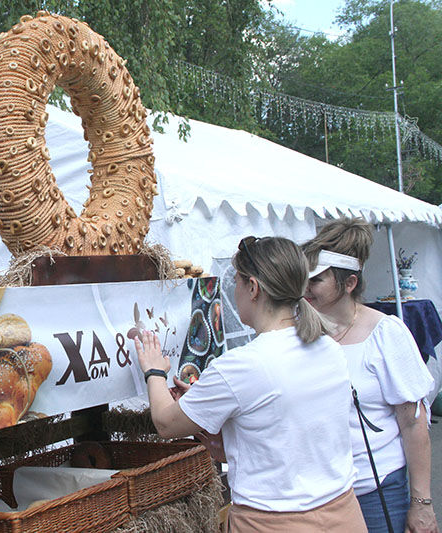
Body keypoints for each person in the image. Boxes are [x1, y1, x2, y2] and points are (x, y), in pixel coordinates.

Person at [135, 236, 366, 532]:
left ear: (253, 288)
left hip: (275, 523)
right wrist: (218, 418)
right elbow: (291, 430)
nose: (235, 293)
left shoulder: (243, 365)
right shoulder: (328, 347)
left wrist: (154, 371)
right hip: (343, 514)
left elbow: (166, 424)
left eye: (238, 284)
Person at [302, 218, 438, 533]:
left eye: (316, 280)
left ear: (349, 283)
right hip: (317, 496)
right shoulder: (301, 332)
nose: (305, 289)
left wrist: (422, 504)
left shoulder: (385, 334)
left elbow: (413, 422)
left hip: (375, 492)